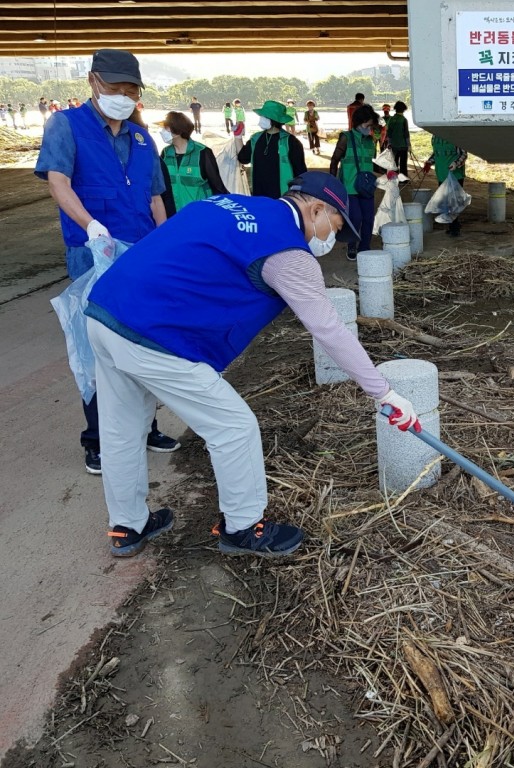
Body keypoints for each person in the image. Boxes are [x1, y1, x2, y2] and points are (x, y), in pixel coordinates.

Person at [83, 171, 421, 557]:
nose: (327, 238)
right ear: (316, 208)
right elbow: (328, 328)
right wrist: (384, 392)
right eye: (334, 226)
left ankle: (128, 526)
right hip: (155, 332)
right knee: (234, 427)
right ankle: (243, 528)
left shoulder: (233, 204)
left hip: (105, 310)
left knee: (121, 427)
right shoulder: (288, 251)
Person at [34, 48, 179, 475]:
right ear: (94, 82)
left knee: (143, 341)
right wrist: (90, 224)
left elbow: (155, 198)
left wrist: (164, 242)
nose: (122, 95)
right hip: (92, 254)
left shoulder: (140, 137)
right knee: (98, 345)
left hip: (140, 253)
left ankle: (146, 426)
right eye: (114, 87)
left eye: (130, 89)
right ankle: (96, 439)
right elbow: (58, 183)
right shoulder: (66, 125)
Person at [330, 103, 379, 260]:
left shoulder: (370, 140)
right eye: (368, 124)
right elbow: (334, 160)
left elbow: (374, 162)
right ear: (359, 122)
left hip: (366, 186)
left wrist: (389, 171)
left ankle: (364, 247)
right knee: (355, 217)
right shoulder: (346, 138)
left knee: (368, 218)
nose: (370, 127)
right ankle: (351, 245)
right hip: (349, 186)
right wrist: (333, 182)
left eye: (371, 124)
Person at [158, 111, 228, 214]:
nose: (162, 131)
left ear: (177, 131)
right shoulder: (165, 153)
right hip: (174, 217)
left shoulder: (202, 152)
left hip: (199, 216)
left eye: (166, 128)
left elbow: (218, 187)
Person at [237, 100, 307, 199]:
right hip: (259, 195)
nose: (261, 119)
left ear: (275, 120)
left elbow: (300, 172)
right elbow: (243, 158)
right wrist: (238, 137)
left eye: (265, 117)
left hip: (283, 196)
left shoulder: (290, 142)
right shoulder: (255, 139)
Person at [423, 134, 468, 236]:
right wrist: (429, 162)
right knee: (446, 203)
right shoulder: (435, 137)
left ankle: (455, 228)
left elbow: (463, 154)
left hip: (455, 175)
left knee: (454, 202)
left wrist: (456, 164)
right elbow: (436, 153)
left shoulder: (455, 135)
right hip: (442, 174)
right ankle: (453, 225)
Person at [387, 101, 410, 178]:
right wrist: (409, 145)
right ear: (403, 110)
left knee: (394, 163)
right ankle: (403, 179)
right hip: (403, 145)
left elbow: (389, 132)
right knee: (403, 163)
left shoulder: (391, 119)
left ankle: (394, 178)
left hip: (393, 145)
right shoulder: (404, 120)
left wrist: (389, 143)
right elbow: (406, 133)